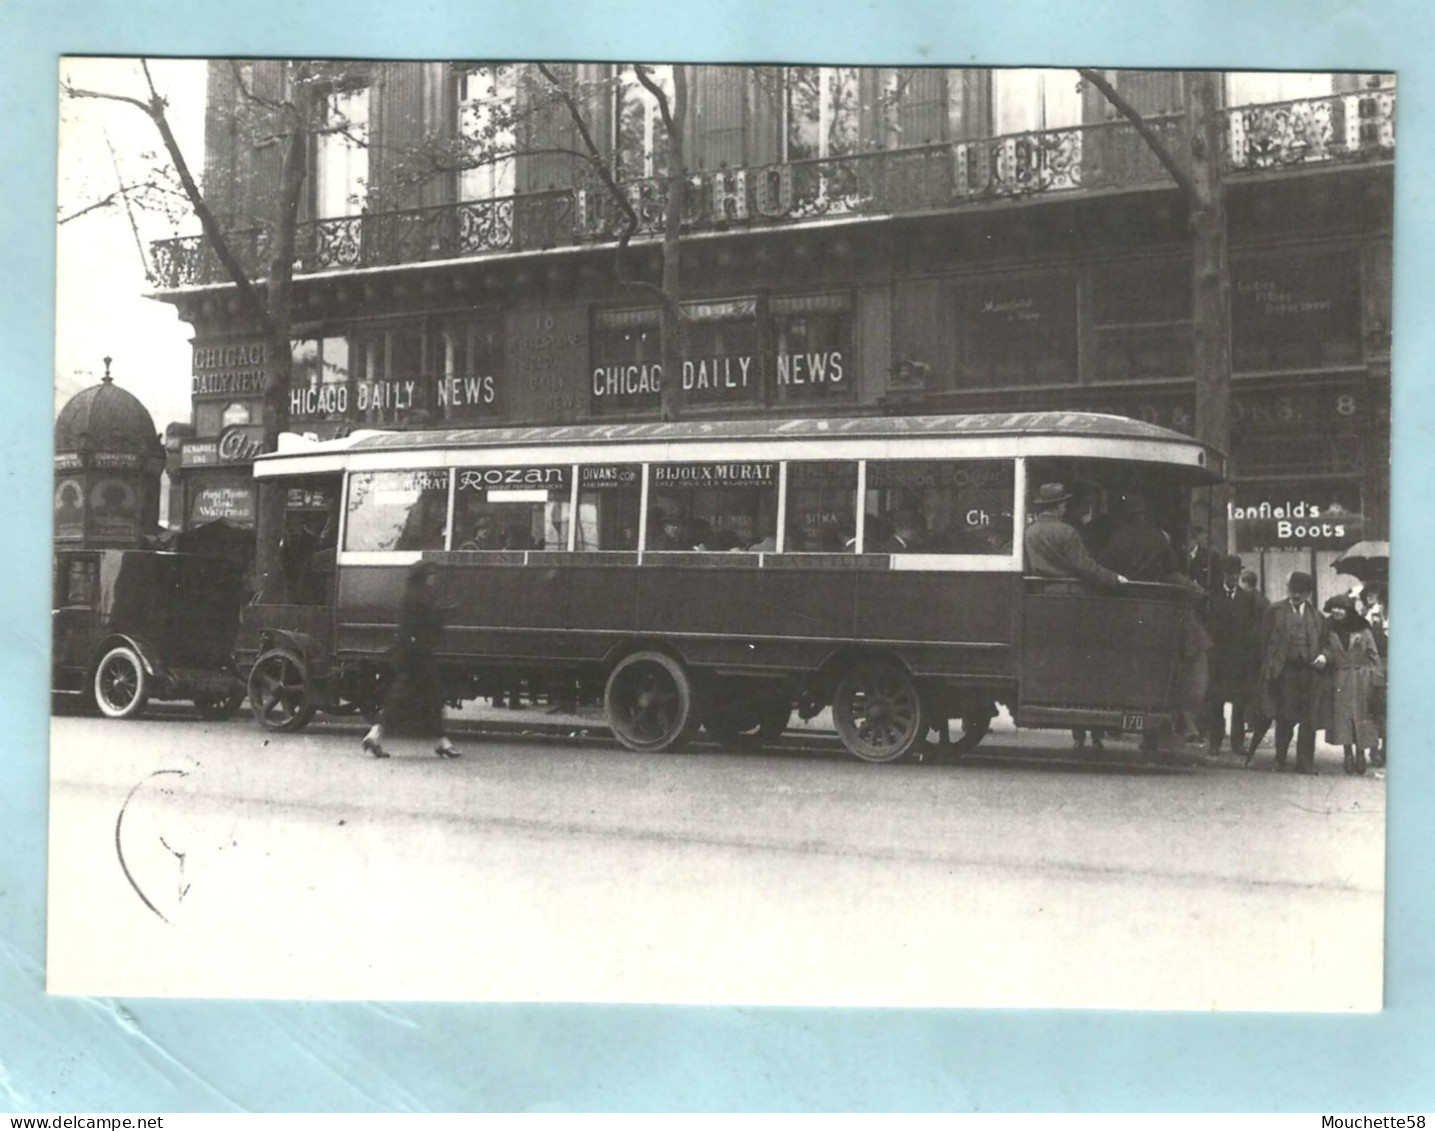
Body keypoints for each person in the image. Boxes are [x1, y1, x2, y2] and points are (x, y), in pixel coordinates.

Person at [362, 561, 461, 759]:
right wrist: (444, 615)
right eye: (430, 574)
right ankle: (440, 741)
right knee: (422, 698)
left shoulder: (414, 595)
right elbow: (422, 625)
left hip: (413, 656)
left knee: (417, 699)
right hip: (417, 657)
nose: (433, 577)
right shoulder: (418, 597)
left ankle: (377, 735)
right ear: (422, 576)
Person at [1254, 571, 1326, 774]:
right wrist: (1269, 666)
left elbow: (1325, 643)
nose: (1296, 596)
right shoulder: (1275, 611)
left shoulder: (1317, 616)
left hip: (1308, 673)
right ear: (1288, 590)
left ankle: (1305, 763)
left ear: (1308, 593)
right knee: (1284, 717)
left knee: (1307, 720)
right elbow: (1263, 641)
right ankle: (1280, 759)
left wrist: (1323, 656)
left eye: (1301, 592)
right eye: (1293, 591)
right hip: (1284, 672)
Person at [1316, 594, 1384, 775]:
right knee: (1343, 717)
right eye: (1334, 608)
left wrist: (1377, 680)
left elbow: (1373, 654)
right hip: (1339, 679)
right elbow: (1327, 650)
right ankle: (1347, 754)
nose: (1337, 611)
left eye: (1341, 608)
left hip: (1362, 679)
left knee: (1362, 717)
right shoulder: (1329, 628)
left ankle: (1361, 753)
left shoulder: (1362, 628)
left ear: (1349, 610)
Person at [1205, 554, 1264, 756]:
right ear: (1223, 574)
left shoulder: (1248, 600)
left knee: (1239, 703)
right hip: (1218, 660)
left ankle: (1237, 743)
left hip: (1239, 661)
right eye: (1229, 574)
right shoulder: (1212, 597)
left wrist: (1249, 657)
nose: (1232, 577)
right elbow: (1208, 627)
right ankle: (1215, 741)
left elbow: (1252, 630)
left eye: (1235, 574)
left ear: (1239, 575)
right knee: (1216, 703)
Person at [1022, 483, 1128, 589]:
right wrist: (1114, 578)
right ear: (1061, 505)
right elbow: (1084, 566)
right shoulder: (1066, 531)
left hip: (1041, 593)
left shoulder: (1030, 531)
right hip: (1069, 594)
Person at [1101, 493, 1178, 583]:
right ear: (1146, 515)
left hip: (1122, 592)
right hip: (1153, 593)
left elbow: (1105, 565)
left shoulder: (1118, 537)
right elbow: (1171, 568)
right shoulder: (1158, 538)